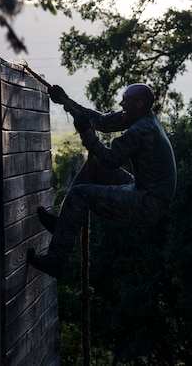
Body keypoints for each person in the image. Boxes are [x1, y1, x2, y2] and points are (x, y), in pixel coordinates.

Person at [27, 83, 177, 279]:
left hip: (148, 204)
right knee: (94, 165)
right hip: (144, 192)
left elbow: (110, 161)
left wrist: (88, 135)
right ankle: (63, 224)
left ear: (139, 103)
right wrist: (66, 101)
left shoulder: (142, 129)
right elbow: (101, 122)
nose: (121, 103)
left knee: (80, 194)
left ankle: (55, 262)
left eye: (126, 100)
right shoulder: (140, 115)